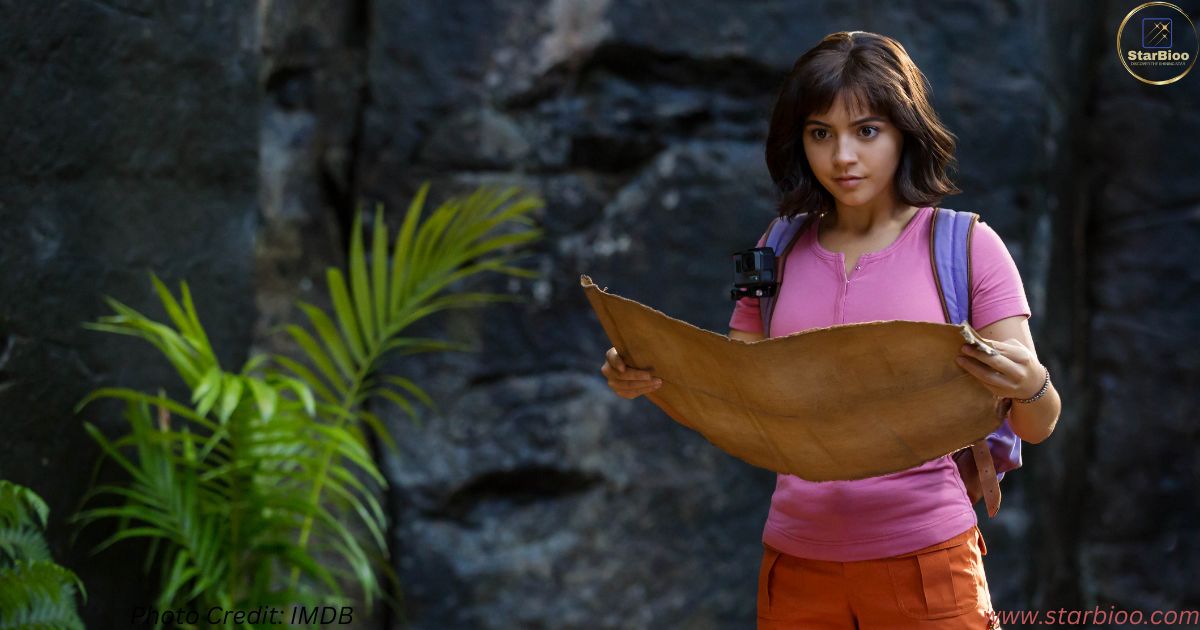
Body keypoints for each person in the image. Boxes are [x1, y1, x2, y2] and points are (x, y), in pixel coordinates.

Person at [599, 31, 1061, 629]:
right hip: (797, 564)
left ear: (904, 131)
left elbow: (1039, 422)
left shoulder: (966, 247)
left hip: (927, 563)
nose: (843, 157)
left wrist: (1031, 384)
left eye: (866, 130)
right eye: (821, 133)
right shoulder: (778, 246)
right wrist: (650, 374)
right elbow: (741, 387)